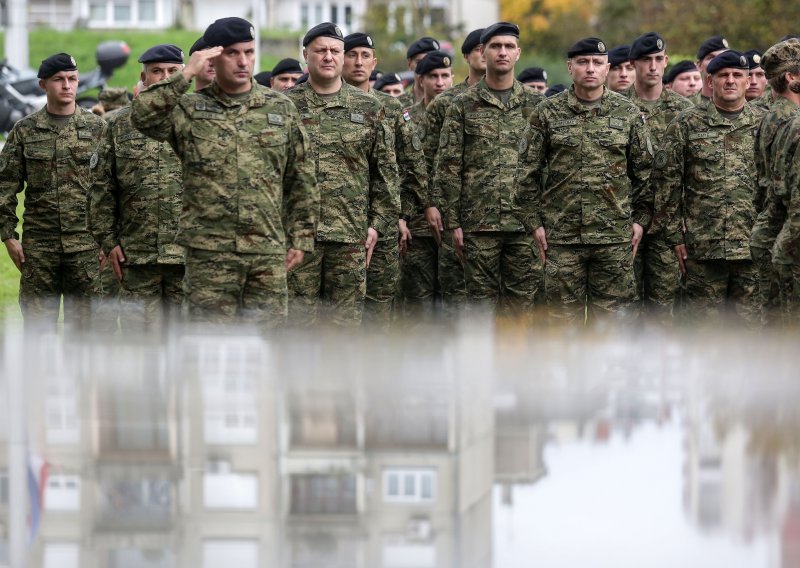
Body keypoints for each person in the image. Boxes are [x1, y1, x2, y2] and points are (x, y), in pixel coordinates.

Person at [131, 17, 318, 326]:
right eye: (232, 53)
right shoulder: (189, 109)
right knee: (209, 348)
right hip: (208, 254)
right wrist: (186, 73)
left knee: (265, 344)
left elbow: (301, 174)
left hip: (266, 250)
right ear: (212, 57)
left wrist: (302, 236)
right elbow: (141, 114)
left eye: (248, 52)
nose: (243, 61)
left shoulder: (280, 108)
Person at [521, 37, 653, 324]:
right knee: (561, 325)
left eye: (597, 63)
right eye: (582, 62)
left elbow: (645, 172)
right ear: (570, 67)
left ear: (607, 69)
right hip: (562, 239)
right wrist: (534, 224)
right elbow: (526, 173)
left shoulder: (628, 113)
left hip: (614, 240)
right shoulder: (547, 112)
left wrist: (640, 221)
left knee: (612, 327)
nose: (590, 68)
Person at [285, 23, 398, 327]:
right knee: (296, 327)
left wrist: (377, 226)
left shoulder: (369, 107)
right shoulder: (285, 106)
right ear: (305, 55)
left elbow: (385, 174)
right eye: (320, 51)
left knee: (344, 329)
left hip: (351, 238)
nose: (328, 57)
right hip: (298, 240)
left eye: (335, 51)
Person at [436, 22, 545, 317]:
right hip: (477, 225)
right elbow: (448, 166)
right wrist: (453, 222)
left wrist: (544, 220)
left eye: (509, 47)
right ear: (483, 52)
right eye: (496, 46)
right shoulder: (462, 105)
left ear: (518, 53)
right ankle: (480, 363)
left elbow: (548, 167)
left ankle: (517, 364)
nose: (503, 52)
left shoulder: (538, 105)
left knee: (521, 309)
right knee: (479, 310)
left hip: (525, 227)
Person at [0, 53, 112, 331]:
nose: (67, 85)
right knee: (38, 331)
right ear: (43, 85)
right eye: (58, 79)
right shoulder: (25, 131)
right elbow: (5, 185)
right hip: (40, 249)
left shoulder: (98, 128)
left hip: (87, 247)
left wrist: (109, 241)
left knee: (88, 332)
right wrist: (8, 237)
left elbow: (112, 188)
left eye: (72, 79)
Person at [659, 51, 764, 325]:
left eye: (737, 75)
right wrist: (675, 238)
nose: (730, 81)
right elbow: (668, 183)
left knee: (750, 332)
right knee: (704, 333)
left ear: (747, 79)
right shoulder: (686, 123)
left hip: (752, 245)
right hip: (702, 248)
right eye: (723, 76)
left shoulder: (765, 125)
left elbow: (775, 184)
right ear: (710, 80)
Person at [90, 44, 187, 333]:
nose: (165, 78)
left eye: (173, 71)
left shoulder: (200, 121)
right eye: (157, 72)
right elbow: (101, 189)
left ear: (185, 76)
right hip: (137, 259)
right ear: (143, 78)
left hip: (188, 260)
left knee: (188, 347)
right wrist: (108, 243)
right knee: (141, 346)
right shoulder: (119, 124)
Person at [341, 31, 427, 328]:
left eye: (365, 56)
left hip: (385, 226)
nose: (358, 62)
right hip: (338, 224)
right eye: (351, 54)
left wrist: (402, 215)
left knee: (378, 312)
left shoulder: (390, 108)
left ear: (374, 62)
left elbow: (413, 165)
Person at [622, 32, 693, 323]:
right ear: (633, 64)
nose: (653, 66)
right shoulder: (616, 107)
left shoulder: (685, 111)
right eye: (646, 60)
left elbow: (693, 170)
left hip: (668, 226)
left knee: (662, 312)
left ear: (665, 62)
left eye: (658, 60)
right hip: (625, 222)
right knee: (625, 307)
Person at [750, 39, 800, 324]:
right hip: (785, 238)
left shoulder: (772, 116)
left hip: (771, 232)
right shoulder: (790, 121)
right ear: (791, 77)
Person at [399, 36, 440, 106]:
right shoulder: (399, 105)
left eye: (432, 62)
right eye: (420, 62)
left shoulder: (451, 102)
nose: (426, 67)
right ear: (409, 64)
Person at [694, 35, 730, 104]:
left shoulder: (741, 105)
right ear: (699, 65)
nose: (718, 61)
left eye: (724, 57)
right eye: (711, 58)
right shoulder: (686, 105)